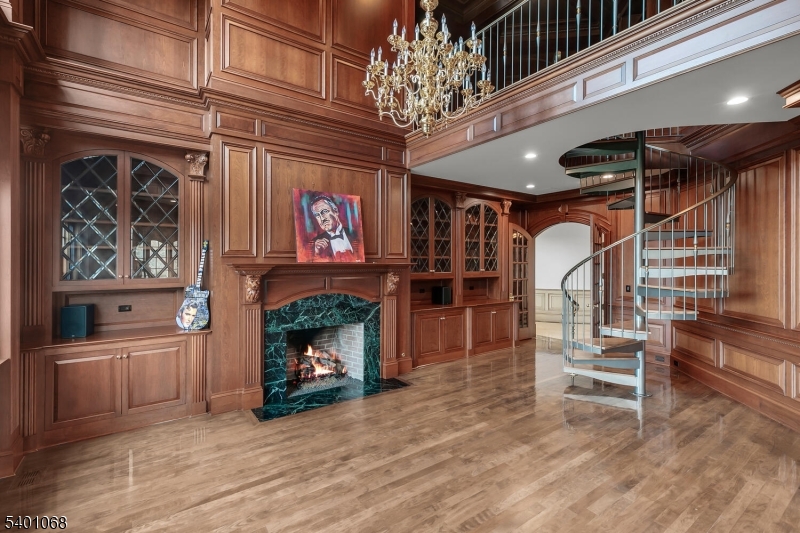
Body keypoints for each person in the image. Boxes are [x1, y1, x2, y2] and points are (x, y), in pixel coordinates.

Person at [309, 195, 363, 262]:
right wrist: (316, 253)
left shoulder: (356, 235)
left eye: (324, 211)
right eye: (317, 215)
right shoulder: (314, 245)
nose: (322, 218)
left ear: (335, 211)